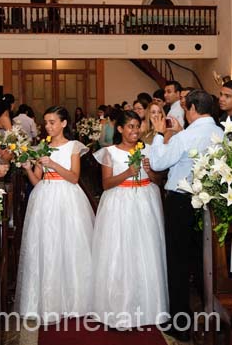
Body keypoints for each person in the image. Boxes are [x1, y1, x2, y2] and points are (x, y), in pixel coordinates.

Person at [148, 89, 223, 341]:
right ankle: (212, 316)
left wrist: (160, 134)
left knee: (178, 263)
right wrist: (179, 134)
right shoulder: (221, 134)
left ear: (191, 109)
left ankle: (180, 324)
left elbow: (158, 164)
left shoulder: (186, 136)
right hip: (209, 203)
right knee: (204, 262)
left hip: (181, 202)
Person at [15, 106, 94, 323]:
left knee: (71, 246)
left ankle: (76, 299)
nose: (48, 126)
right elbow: (37, 180)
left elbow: (74, 177)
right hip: (45, 197)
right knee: (48, 246)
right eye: (46, 122)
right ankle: (49, 300)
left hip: (68, 198)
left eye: (52, 122)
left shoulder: (73, 147)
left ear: (64, 124)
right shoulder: (42, 146)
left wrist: (53, 163)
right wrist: (28, 169)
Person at [91, 111, 167, 328]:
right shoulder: (110, 152)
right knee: (120, 250)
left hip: (145, 200)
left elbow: (157, 179)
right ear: (121, 129)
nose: (135, 131)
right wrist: (127, 172)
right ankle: (118, 305)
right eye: (130, 127)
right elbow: (106, 183)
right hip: (119, 202)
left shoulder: (147, 149)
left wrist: (148, 171)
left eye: (137, 127)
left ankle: (148, 305)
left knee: (145, 250)